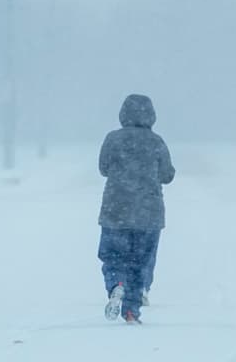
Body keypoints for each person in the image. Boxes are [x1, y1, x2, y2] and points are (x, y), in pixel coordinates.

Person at [97, 93, 175, 324]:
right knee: (140, 261)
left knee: (113, 256)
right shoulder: (157, 142)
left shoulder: (113, 139)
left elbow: (103, 168)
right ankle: (131, 310)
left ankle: (116, 284)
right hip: (148, 213)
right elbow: (167, 175)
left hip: (115, 211)